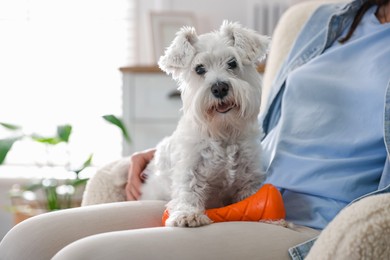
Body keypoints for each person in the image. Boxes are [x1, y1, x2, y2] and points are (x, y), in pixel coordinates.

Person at [1, 0, 389, 259]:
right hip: (253, 181)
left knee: (80, 257)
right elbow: (262, 117)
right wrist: (169, 153)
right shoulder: (329, 20)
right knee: (26, 242)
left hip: (305, 218)